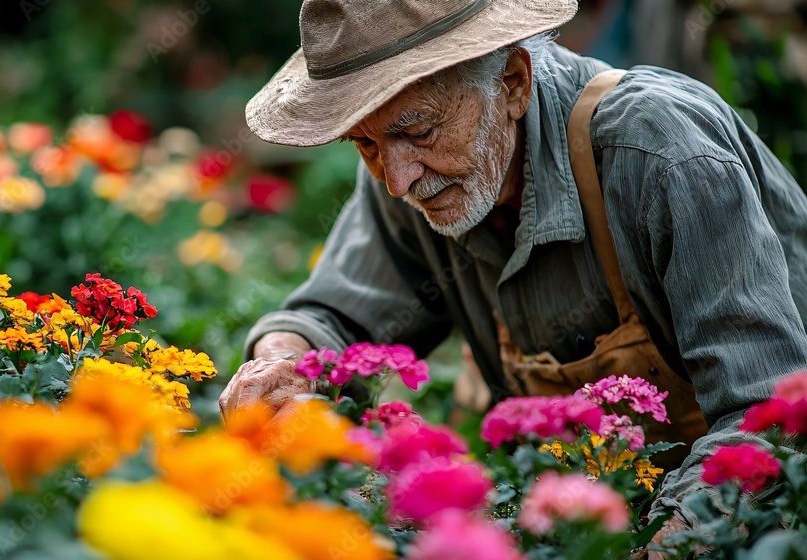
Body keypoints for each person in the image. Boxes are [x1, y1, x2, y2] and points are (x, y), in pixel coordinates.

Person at [219, 0, 807, 552]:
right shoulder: (411, 174)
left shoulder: (660, 153)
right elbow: (329, 318)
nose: (398, 180)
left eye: (419, 130)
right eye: (364, 143)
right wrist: (285, 363)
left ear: (513, 84)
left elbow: (765, 422)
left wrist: (666, 549)